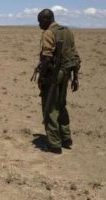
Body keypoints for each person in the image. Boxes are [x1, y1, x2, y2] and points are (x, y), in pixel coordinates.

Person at [35, 9, 81, 154]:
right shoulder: (68, 31)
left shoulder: (49, 33)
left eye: (40, 21)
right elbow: (74, 56)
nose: (39, 25)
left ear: (47, 19)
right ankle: (66, 138)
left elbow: (47, 58)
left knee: (50, 108)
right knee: (61, 105)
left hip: (54, 75)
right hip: (67, 73)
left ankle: (54, 144)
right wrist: (75, 77)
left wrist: (42, 77)